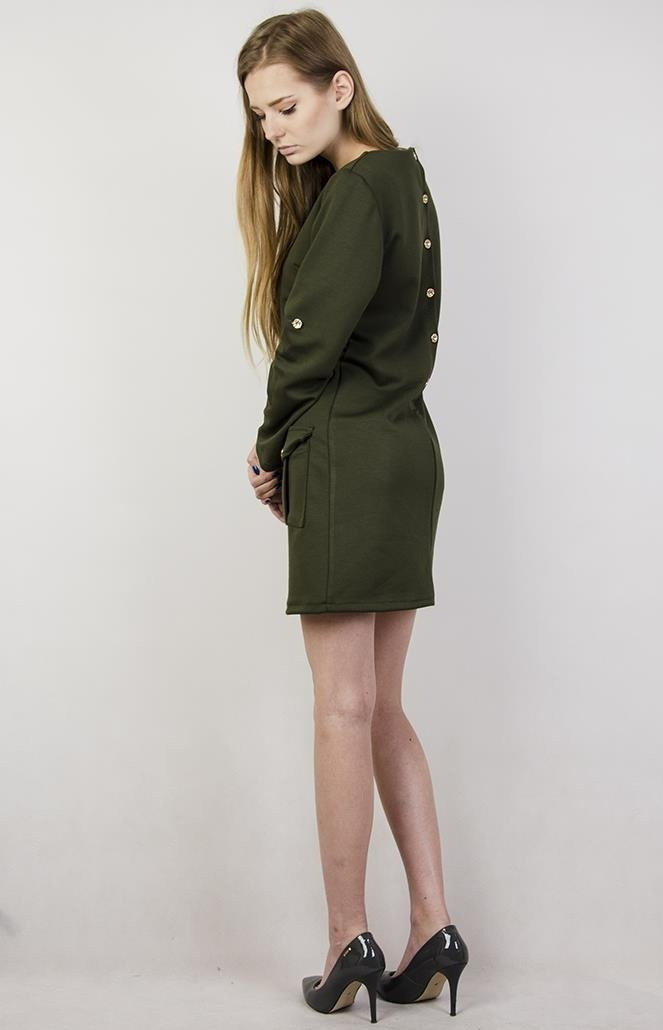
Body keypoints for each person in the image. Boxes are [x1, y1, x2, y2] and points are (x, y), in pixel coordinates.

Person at [237, 9, 468, 1021]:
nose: (274, 131)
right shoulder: (406, 181)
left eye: (287, 106)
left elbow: (307, 347)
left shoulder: (355, 192)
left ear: (340, 85)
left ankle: (347, 940)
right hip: (407, 451)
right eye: (261, 117)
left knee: (341, 707)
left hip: (348, 457)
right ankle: (434, 927)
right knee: (382, 708)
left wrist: (270, 444)